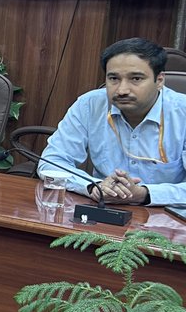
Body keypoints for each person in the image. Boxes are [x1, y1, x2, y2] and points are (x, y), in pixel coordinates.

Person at [40, 38, 186, 206]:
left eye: (136, 78)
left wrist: (144, 194)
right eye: (114, 78)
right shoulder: (89, 105)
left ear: (159, 80)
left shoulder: (182, 112)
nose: (122, 90)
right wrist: (93, 186)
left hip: (166, 214)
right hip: (102, 208)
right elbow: (51, 162)